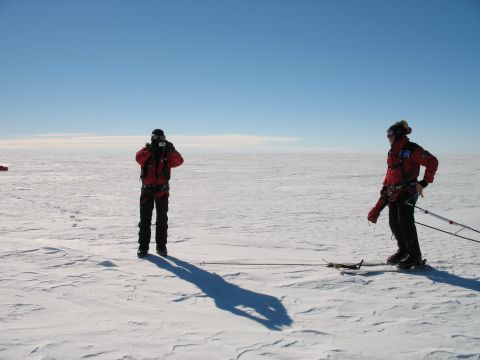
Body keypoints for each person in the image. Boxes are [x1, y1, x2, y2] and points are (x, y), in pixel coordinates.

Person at [368, 120, 438, 269]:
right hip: (394, 191)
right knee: (394, 223)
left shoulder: (412, 149)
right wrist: (385, 187)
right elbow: (391, 172)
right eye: (387, 135)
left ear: (399, 135)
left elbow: (433, 161)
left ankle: (415, 256)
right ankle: (404, 251)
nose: (388, 138)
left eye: (390, 135)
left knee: (405, 222)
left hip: (408, 191)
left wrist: (423, 182)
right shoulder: (392, 151)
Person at [135, 129, 184, 258]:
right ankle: (143, 247)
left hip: (162, 191)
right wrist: (151, 150)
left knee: (162, 220)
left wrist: (171, 149)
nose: (159, 141)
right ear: (152, 138)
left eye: (161, 138)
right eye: (157, 138)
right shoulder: (146, 151)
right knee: (145, 220)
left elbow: (179, 161)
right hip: (147, 191)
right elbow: (138, 158)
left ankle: (161, 247)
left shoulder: (167, 153)